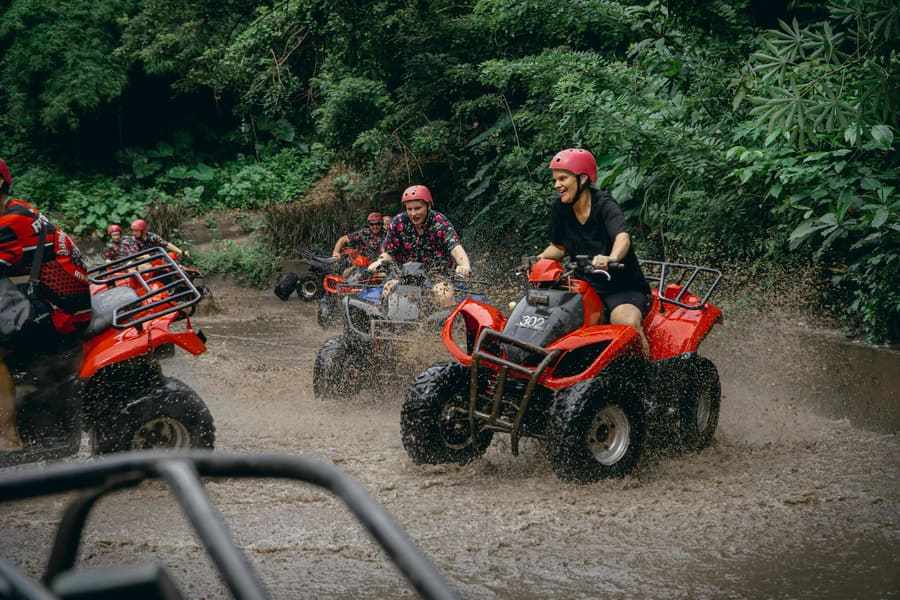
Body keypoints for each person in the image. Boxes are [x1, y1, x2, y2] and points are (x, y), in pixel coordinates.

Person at [0, 157, 92, 450]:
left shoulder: (10, 224)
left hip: (60, 310)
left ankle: (8, 437)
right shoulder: (17, 208)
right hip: (49, 296)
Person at [538, 148, 651, 357]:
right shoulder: (560, 208)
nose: (557, 185)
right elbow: (560, 247)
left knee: (626, 322)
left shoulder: (604, 205)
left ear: (582, 179)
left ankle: (647, 372)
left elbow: (622, 237)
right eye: (555, 180)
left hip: (622, 288)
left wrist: (611, 258)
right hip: (583, 287)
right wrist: (541, 259)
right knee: (549, 319)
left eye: (563, 179)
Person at [368, 185, 472, 307]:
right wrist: (379, 262)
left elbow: (455, 246)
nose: (413, 213)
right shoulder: (398, 222)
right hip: (405, 273)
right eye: (409, 209)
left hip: (437, 273)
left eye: (417, 208)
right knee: (388, 288)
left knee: (444, 294)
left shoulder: (439, 221)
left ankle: (445, 318)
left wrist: (464, 265)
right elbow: (390, 252)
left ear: (428, 206)